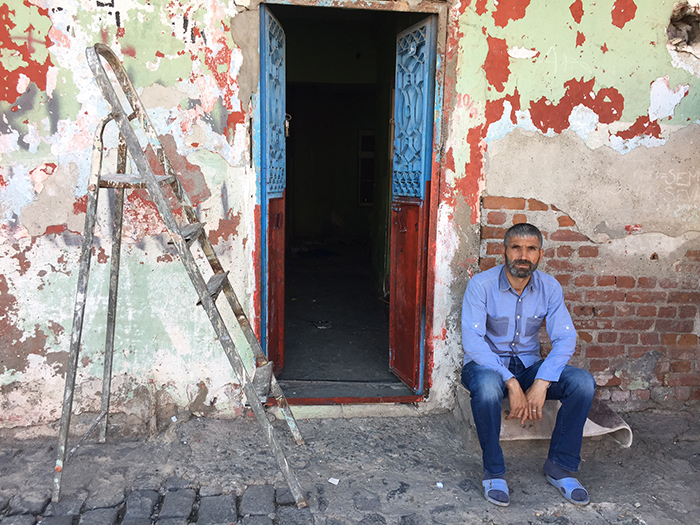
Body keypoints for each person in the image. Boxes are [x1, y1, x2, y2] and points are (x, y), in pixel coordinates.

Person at [461, 222, 596, 507]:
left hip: (530, 367)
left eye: (531, 249)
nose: (523, 255)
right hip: (487, 366)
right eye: (516, 247)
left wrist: (542, 382)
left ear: (540, 255)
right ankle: (494, 471)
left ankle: (560, 467)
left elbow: (565, 339)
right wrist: (510, 382)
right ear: (504, 251)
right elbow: (473, 342)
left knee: (582, 383)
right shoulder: (481, 285)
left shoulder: (549, 287)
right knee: (486, 390)